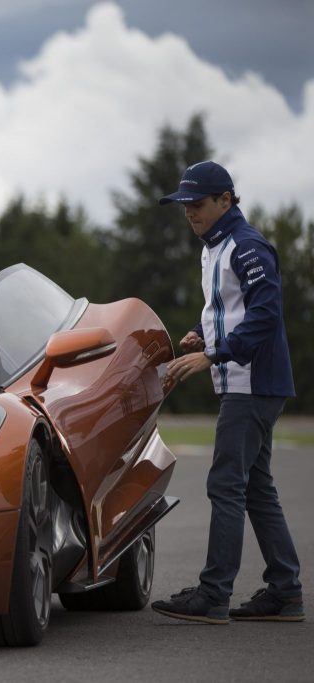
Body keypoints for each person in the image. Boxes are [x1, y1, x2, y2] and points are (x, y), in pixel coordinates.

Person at [149, 161, 303, 624]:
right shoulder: (213, 246)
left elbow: (265, 315)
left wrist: (213, 356)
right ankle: (285, 590)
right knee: (256, 489)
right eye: (184, 206)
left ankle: (213, 594)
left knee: (225, 484)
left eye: (197, 205)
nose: (189, 213)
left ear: (226, 200)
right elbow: (226, 308)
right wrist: (201, 332)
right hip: (246, 382)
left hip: (252, 384)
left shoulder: (247, 245)